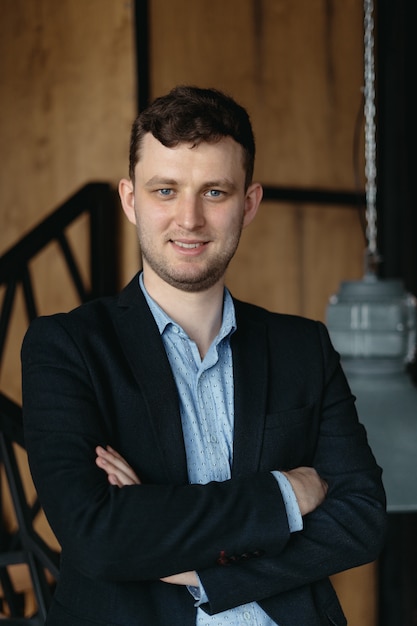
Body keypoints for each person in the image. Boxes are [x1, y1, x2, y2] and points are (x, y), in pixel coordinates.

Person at [21, 85, 387, 626]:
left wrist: (191, 561)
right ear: (129, 200)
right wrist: (286, 492)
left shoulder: (302, 347)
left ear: (249, 202)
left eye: (214, 192)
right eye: (165, 190)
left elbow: (362, 520)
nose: (188, 219)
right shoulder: (65, 348)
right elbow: (97, 537)